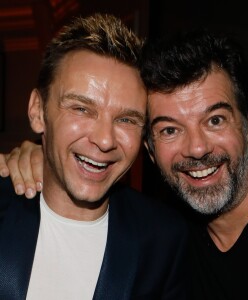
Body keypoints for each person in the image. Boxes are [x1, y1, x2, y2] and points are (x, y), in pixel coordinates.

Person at [2, 28, 248, 300]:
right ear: (151, 150)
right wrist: (47, 154)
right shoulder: (175, 229)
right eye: (170, 129)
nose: (196, 148)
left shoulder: (164, 238)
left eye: (215, 120)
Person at [0, 13, 190, 300]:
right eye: (81, 109)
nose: (104, 140)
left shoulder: (163, 240)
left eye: (126, 120)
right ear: (38, 112)